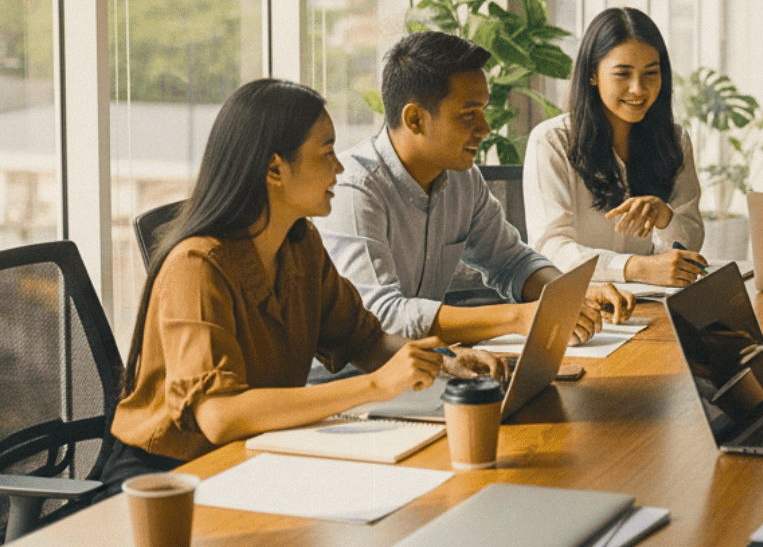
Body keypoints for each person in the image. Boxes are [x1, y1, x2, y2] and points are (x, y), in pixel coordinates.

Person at [103, 79, 506, 485]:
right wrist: (374, 386)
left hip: (257, 457)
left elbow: (364, 340)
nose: (340, 166)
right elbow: (219, 417)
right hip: (167, 479)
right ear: (275, 168)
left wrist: (446, 363)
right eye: (327, 152)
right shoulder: (196, 266)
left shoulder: (299, 244)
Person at [315, 30, 633, 347]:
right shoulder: (353, 189)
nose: (485, 129)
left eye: (483, 110)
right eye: (469, 114)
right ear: (414, 119)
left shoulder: (461, 178)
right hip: (352, 377)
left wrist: (565, 294)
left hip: (428, 364)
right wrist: (520, 317)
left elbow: (512, 261)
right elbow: (382, 318)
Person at [524, 7, 705, 286]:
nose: (638, 89)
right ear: (592, 74)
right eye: (623, 74)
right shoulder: (551, 141)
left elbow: (689, 248)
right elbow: (551, 248)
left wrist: (664, 217)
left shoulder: (675, 141)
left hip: (655, 304)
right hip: (582, 306)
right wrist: (636, 267)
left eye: (650, 74)